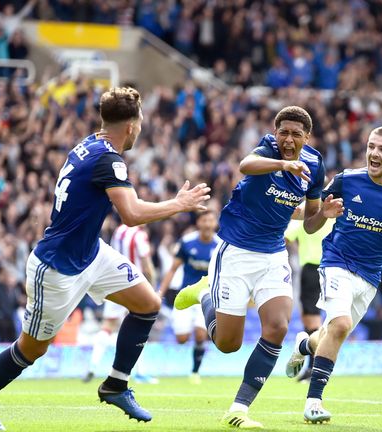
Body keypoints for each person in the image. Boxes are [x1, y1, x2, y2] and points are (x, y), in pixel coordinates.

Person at [0, 87, 210, 430]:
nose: (140, 129)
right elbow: (131, 213)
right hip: (56, 268)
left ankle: (116, 384)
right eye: (139, 123)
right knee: (31, 350)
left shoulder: (90, 143)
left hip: (91, 253)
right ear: (131, 126)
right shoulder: (108, 159)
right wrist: (179, 204)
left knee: (148, 304)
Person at [175, 106, 343, 429]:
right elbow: (245, 165)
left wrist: (325, 213)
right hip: (235, 251)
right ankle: (204, 294)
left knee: (279, 327)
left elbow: (309, 223)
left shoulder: (315, 165)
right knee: (228, 344)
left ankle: (239, 408)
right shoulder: (267, 150)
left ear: (307, 137)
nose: (289, 139)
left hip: (273, 255)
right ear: (276, 132)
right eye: (284, 132)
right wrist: (283, 164)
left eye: (296, 134)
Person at [285, 126, 382, 423]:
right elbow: (311, 220)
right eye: (371, 146)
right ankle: (313, 402)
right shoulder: (346, 180)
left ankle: (305, 344)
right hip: (336, 261)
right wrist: (299, 210)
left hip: (369, 276)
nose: (374, 154)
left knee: (332, 334)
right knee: (339, 325)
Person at [83, 223, 159, 385]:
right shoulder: (140, 235)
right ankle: (140, 372)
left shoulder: (119, 231)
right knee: (141, 323)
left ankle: (92, 366)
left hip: (115, 280)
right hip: (135, 284)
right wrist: (152, 289)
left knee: (107, 327)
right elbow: (146, 265)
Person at [159, 210, 219, 384]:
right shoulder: (186, 242)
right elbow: (173, 268)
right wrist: (161, 292)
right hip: (186, 296)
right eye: (204, 220)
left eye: (211, 220)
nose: (208, 224)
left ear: (215, 224)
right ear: (198, 223)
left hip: (207, 297)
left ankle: (195, 372)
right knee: (182, 339)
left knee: (201, 334)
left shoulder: (220, 245)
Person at [283, 213, 335, 381]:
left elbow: (285, 236)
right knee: (313, 319)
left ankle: (315, 368)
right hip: (331, 269)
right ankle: (312, 367)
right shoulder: (334, 219)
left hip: (312, 269)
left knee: (312, 321)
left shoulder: (308, 219)